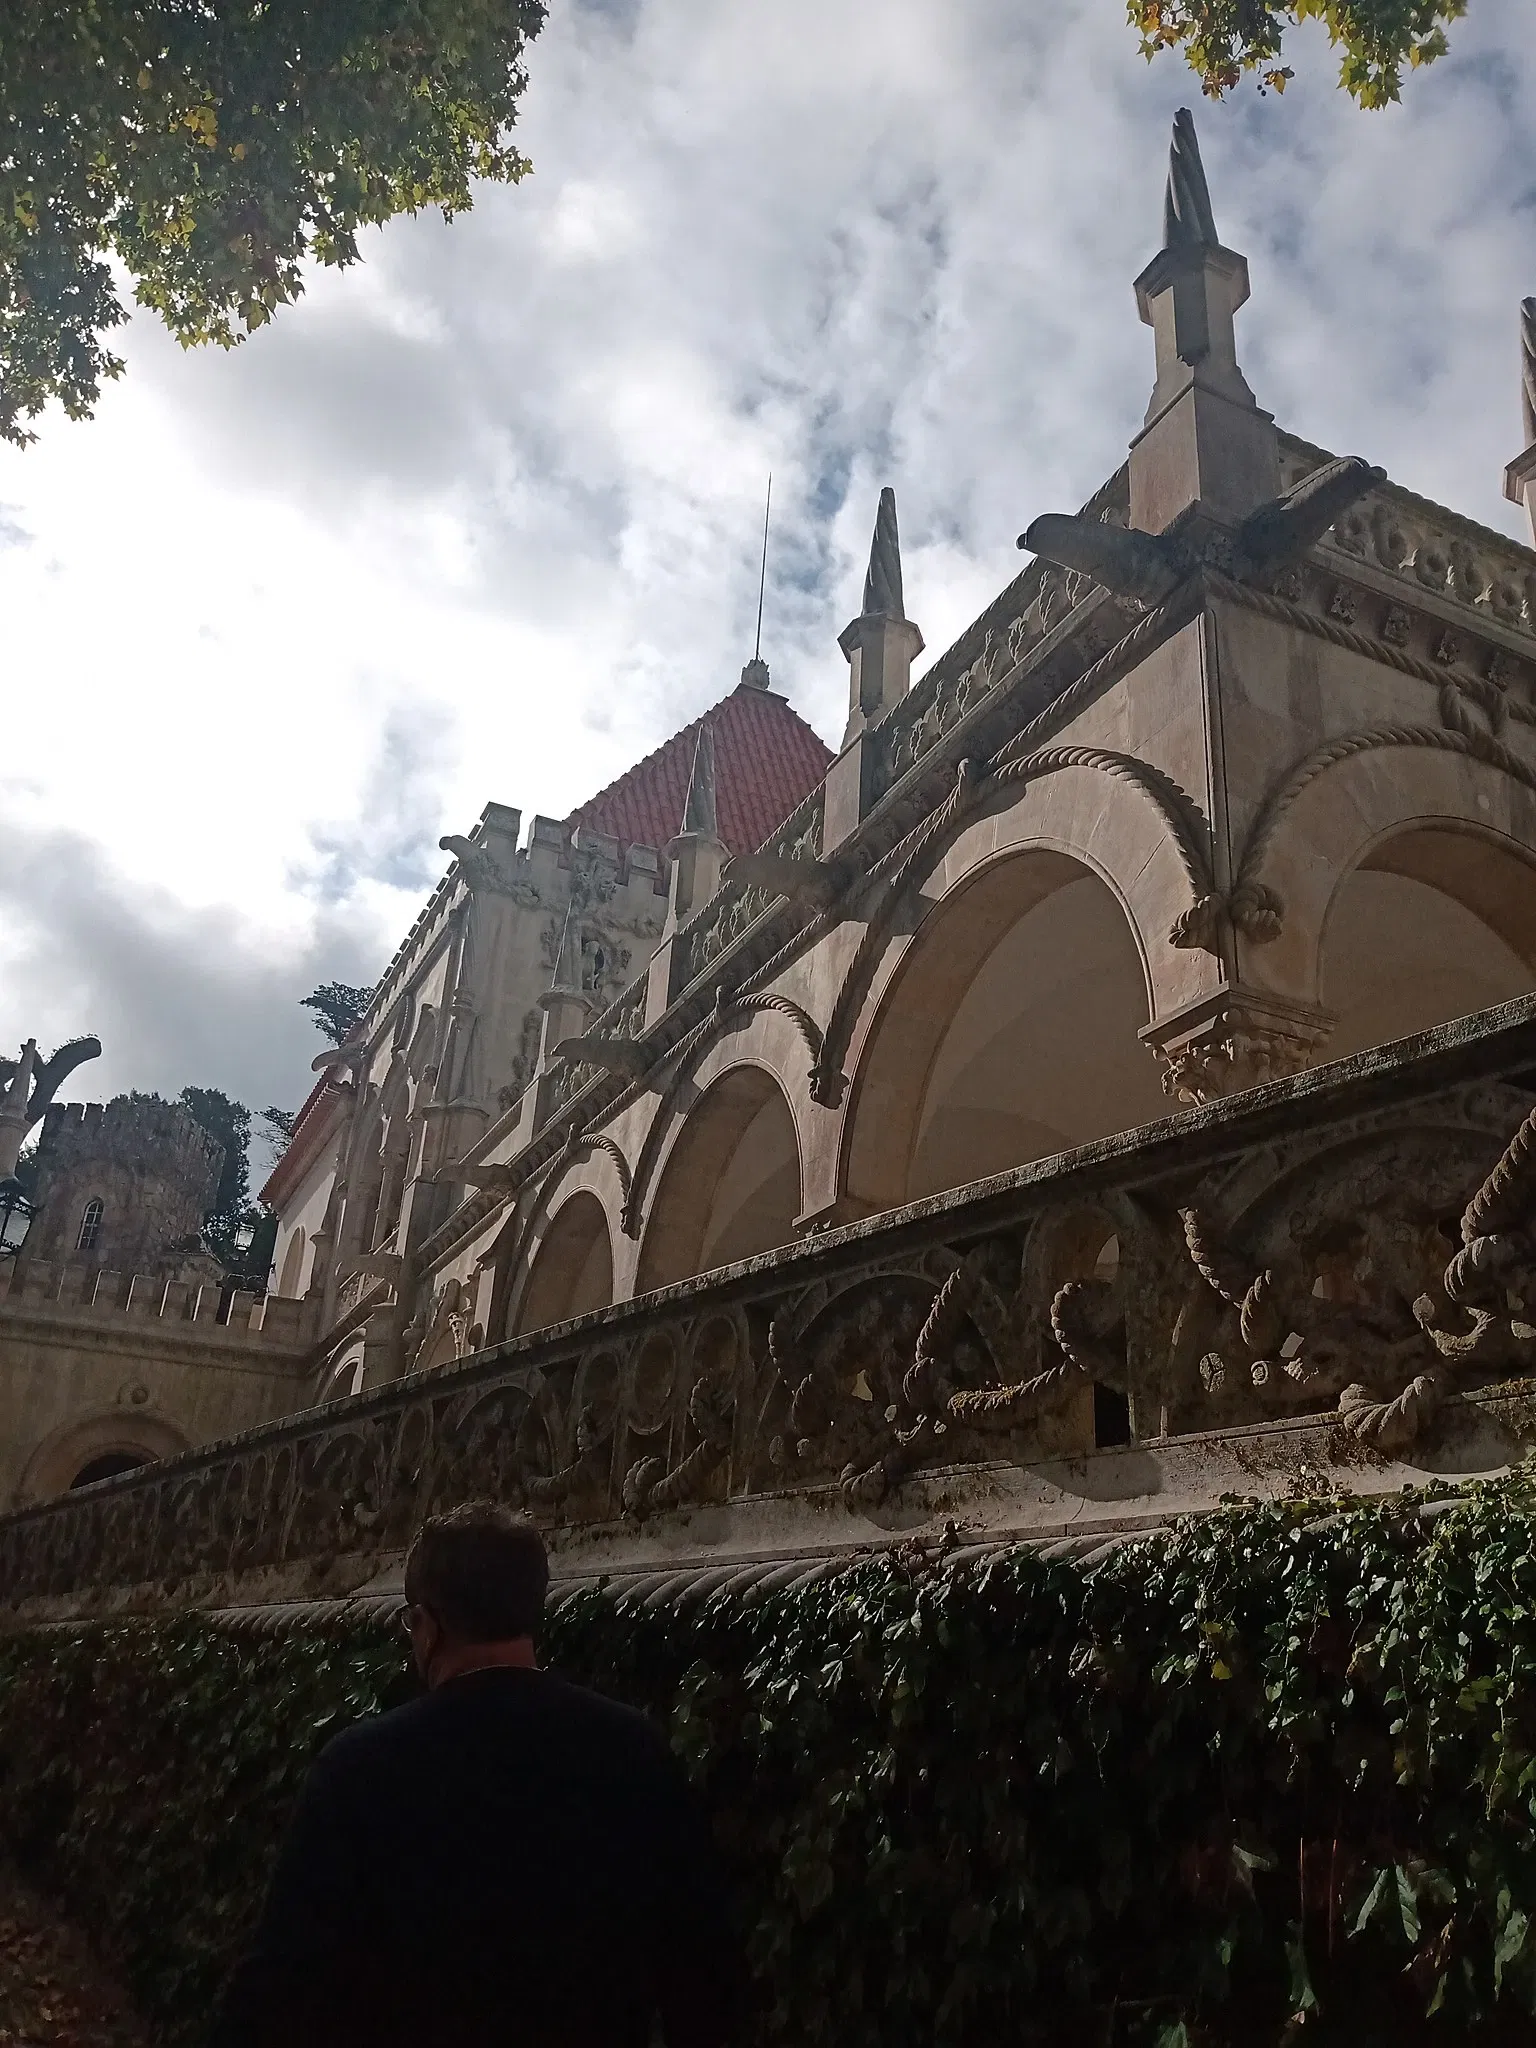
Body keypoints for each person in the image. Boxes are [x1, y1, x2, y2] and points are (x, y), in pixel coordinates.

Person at [214, 1503, 743, 2048]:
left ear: (425, 1625)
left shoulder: (361, 1769)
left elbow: (281, 1983)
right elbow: (700, 1968)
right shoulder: (632, 1749)